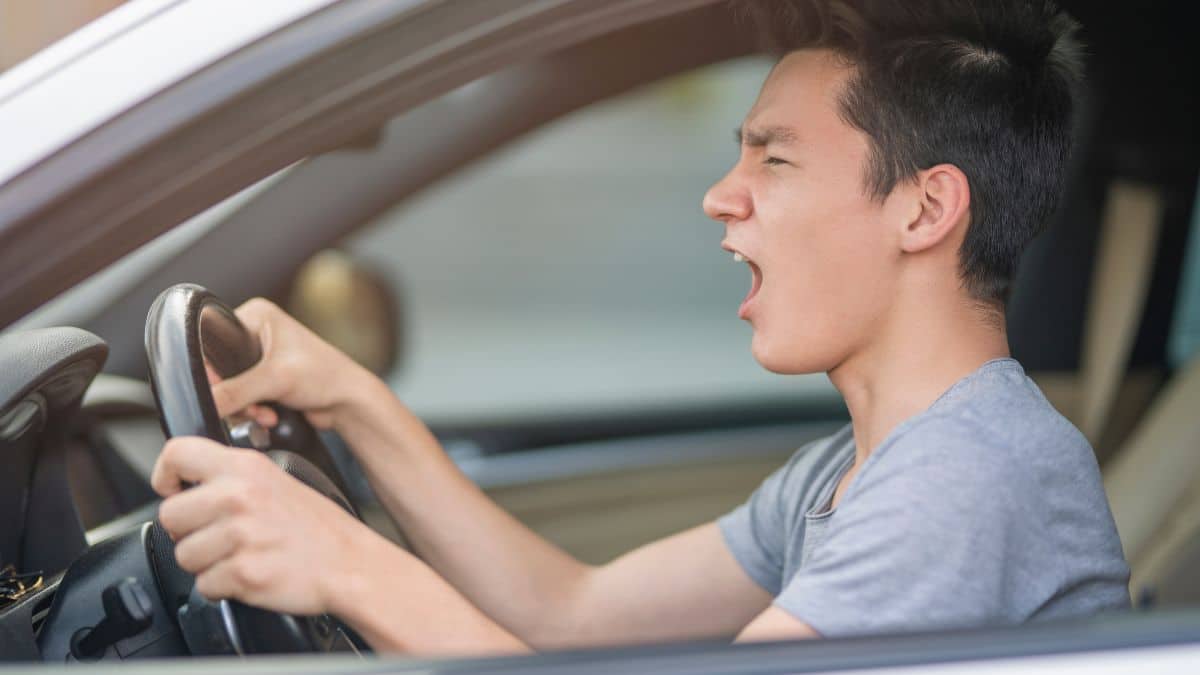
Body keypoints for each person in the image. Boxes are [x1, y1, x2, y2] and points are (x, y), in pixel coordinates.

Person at [149, 0, 1131, 655]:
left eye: (773, 161)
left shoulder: (966, 485)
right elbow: (574, 615)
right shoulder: (855, 470)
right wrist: (353, 399)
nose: (720, 196)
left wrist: (345, 563)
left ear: (925, 210)